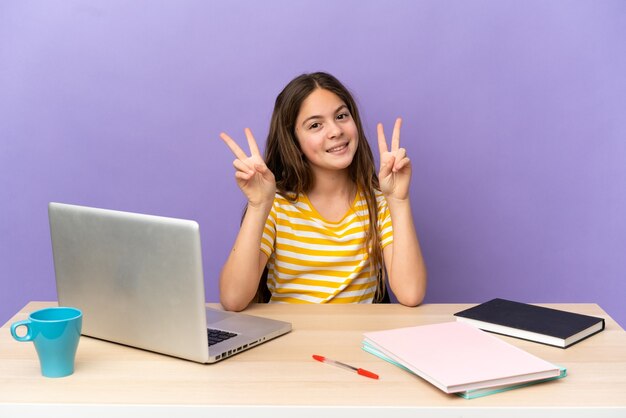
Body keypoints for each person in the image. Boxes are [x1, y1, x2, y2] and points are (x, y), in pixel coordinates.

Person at [219, 72, 426, 311]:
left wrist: (399, 201)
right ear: (293, 140)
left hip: (356, 340)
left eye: (341, 116)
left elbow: (411, 294)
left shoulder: (379, 201)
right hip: (289, 341)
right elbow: (233, 299)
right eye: (315, 125)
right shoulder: (275, 205)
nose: (335, 131)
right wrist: (258, 206)